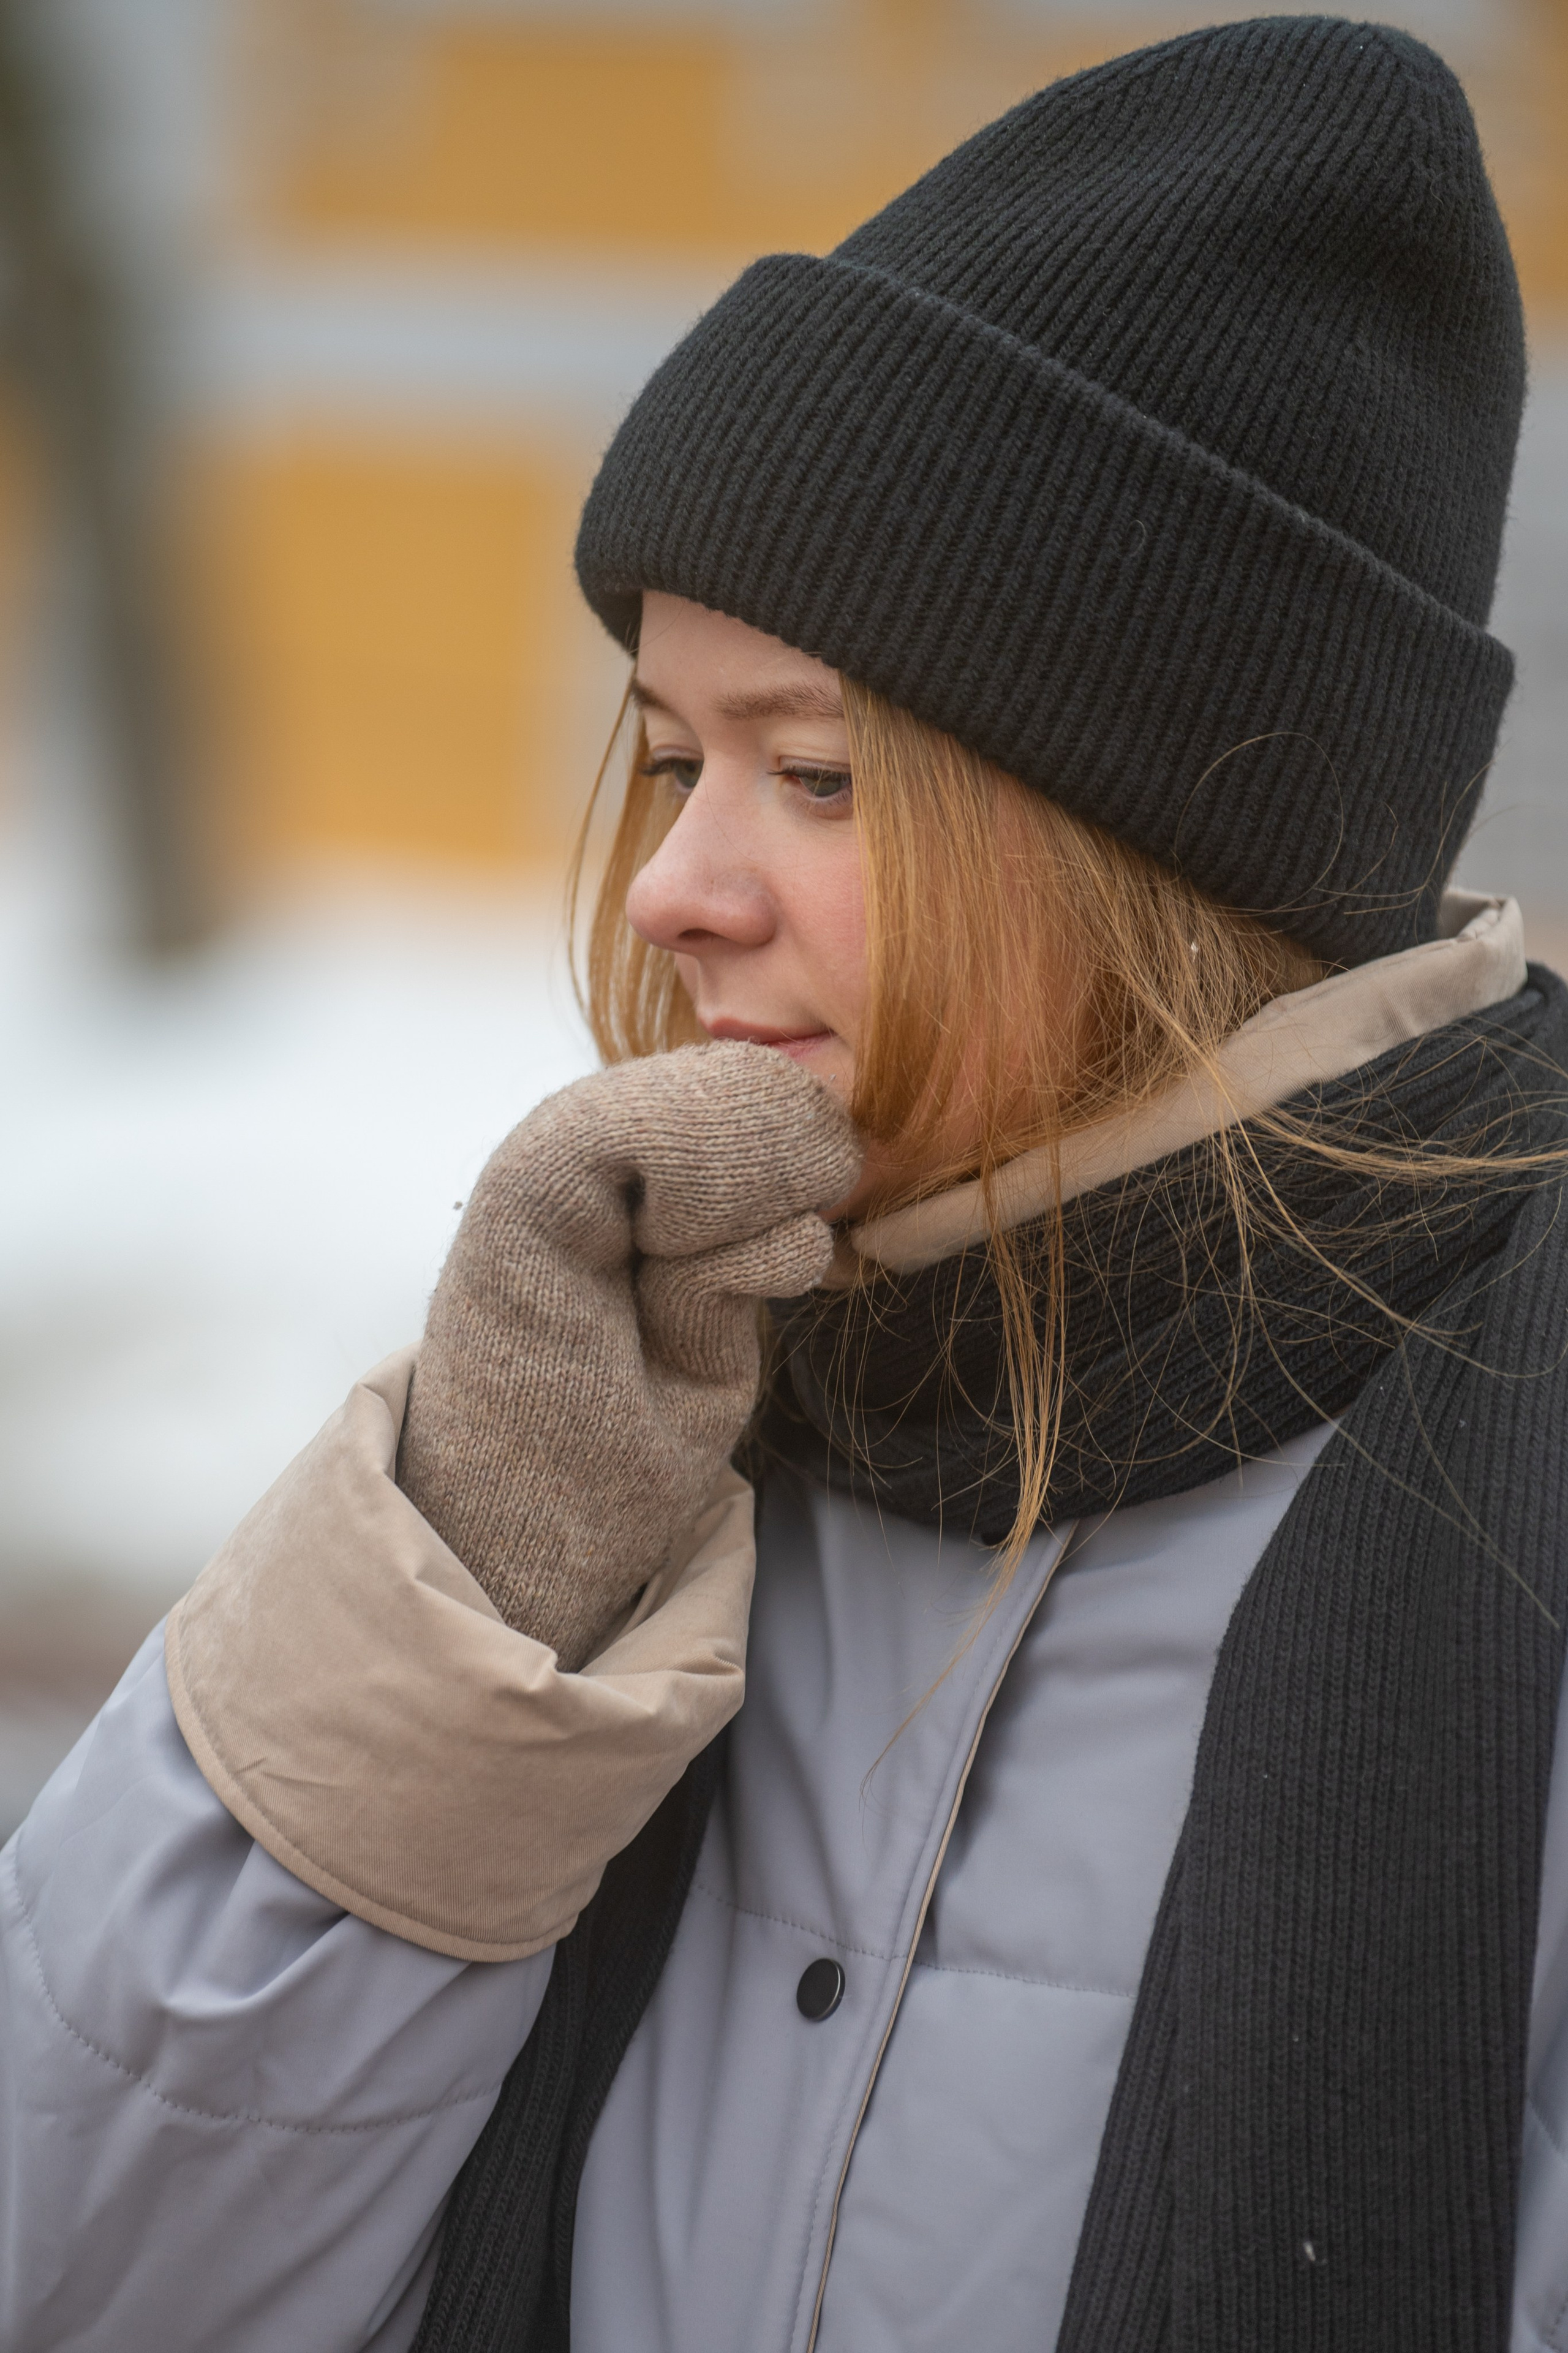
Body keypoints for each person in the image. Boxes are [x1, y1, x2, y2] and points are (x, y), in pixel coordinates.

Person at [4, 16, 1567, 2351]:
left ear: (1164, 826)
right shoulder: (645, 1402)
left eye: (817, 775)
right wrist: (459, 1607)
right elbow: (81, 2269)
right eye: (664, 758)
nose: (672, 889)